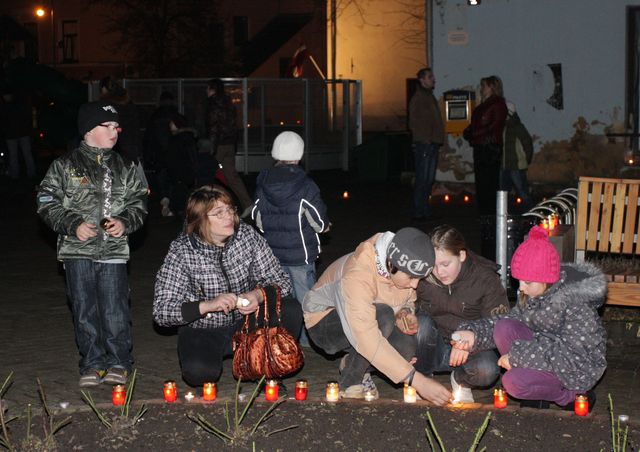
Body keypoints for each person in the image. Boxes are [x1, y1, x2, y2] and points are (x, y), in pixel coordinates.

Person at [37, 100, 148, 387]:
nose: (114, 132)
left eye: (117, 127)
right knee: (84, 307)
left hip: (112, 251)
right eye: (107, 126)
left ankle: (119, 361)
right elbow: (46, 200)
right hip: (77, 252)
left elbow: (139, 202)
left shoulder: (125, 166)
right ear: (88, 131)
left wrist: (125, 221)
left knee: (115, 308)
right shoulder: (64, 166)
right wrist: (72, 224)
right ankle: (91, 362)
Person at [152, 185, 303, 387]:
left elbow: (281, 280)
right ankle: (208, 361)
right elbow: (162, 311)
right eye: (219, 213)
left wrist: (257, 295)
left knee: (291, 308)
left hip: (247, 322)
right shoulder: (182, 252)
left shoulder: (246, 236)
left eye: (230, 209)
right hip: (204, 329)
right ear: (200, 220)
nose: (229, 216)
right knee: (199, 373)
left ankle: (268, 368)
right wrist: (207, 305)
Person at [452, 226, 607, 411]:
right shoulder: (533, 294)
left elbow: (570, 356)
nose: (522, 288)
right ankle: (538, 390)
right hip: (543, 355)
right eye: (519, 281)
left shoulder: (577, 305)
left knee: (513, 383)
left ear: (546, 279)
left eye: (527, 282)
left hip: (574, 370)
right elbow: (508, 319)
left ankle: (569, 396)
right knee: (504, 327)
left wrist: (517, 357)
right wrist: (473, 334)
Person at [302, 227, 452, 405]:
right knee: (383, 316)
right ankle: (350, 382)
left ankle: (352, 363)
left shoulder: (402, 263)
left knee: (405, 349)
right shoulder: (358, 274)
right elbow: (366, 336)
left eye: (420, 279)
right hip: (323, 323)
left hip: (369, 319)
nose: (414, 285)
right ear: (391, 265)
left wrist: (405, 313)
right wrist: (417, 381)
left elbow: (406, 300)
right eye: (412, 277)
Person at [412, 225, 509, 403]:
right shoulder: (424, 276)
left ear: (462, 255)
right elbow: (407, 303)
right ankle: (423, 380)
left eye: (445, 264)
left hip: (471, 351)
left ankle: (460, 380)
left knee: (487, 370)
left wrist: (471, 338)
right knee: (420, 324)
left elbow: (501, 323)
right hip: (435, 347)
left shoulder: (485, 279)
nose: (438, 272)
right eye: (433, 265)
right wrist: (406, 313)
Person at [252, 131, 330, 347]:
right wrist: (324, 226)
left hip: (274, 255)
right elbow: (318, 220)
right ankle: (309, 340)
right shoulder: (306, 185)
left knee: (279, 299)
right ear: (299, 155)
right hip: (301, 254)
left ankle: (283, 336)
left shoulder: (263, 183)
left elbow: (257, 217)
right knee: (306, 299)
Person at [205, 79, 253, 217]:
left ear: (212, 89)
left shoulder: (213, 104)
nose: (206, 91)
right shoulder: (229, 103)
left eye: (207, 88)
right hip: (230, 144)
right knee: (232, 176)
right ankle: (248, 203)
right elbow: (234, 126)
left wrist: (212, 148)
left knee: (207, 174)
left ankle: (206, 208)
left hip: (218, 145)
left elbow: (214, 127)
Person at [464, 75, 508, 215]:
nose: (481, 89)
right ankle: (485, 213)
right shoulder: (484, 105)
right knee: (482, 183)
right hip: (481, 147)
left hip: (489, 149)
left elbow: (493, 126)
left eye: (483, 86)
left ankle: (490, 213)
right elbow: (477, 124)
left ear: (492, 87)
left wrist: (474, 134)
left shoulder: (497, 104)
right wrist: (470, 132)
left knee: (488, 183)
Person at [409, 67, 445, 221]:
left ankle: (424, 208)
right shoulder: (419, 98)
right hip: (425, 144)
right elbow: (414, 122)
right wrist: (425, 139)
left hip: (431, 143)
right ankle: (419, 210)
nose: (433, 80)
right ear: (422, 80)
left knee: (428, 179)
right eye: (430, 77)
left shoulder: (428, 97)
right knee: (423, 178)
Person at [143, 91, 179, 215]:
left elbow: (149, 136)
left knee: (161, 177)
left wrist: (148, 155)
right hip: (173, 152)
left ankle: (164, 200)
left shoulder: (155, 115)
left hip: (158, 152)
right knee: (173, 178)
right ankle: (170, 202)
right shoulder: (176, 115)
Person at [501, 101, 533, 208]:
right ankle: (503, 215)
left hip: (516, 166)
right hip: (505, 166)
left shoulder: (518, 127)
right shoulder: (504, 127)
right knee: (502, 192)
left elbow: (527, 143)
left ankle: (530, 213)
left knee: (522, 191)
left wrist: (525, 160)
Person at [165, 113, 198, 216]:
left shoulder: (177, 140)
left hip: (180, 173)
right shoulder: (189, 137)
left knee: (180, 195)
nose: (170, 125)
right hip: (187, 173)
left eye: (172, 123)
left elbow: (173, 158)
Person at [1, 88, 36, 181]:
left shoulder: (5, 107)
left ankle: (16, 175)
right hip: (21, 133)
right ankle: (29, 174)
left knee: (15, 155)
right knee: (25, 154)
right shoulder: (18, 105)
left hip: (13, 135)